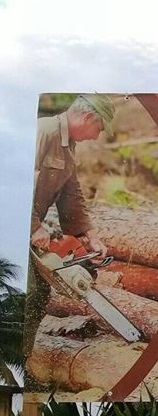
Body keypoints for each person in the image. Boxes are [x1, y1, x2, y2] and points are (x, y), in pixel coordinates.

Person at [26, 94, 114, 361]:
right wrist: (33, 227)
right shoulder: (44, 132)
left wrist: (89, 236)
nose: (97, 136)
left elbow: (70, 194)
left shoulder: (67, 145)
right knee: (27, 295)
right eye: (98, 129)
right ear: (87, 118)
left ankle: (22, 363)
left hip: (29, 230)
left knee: (38, 295)